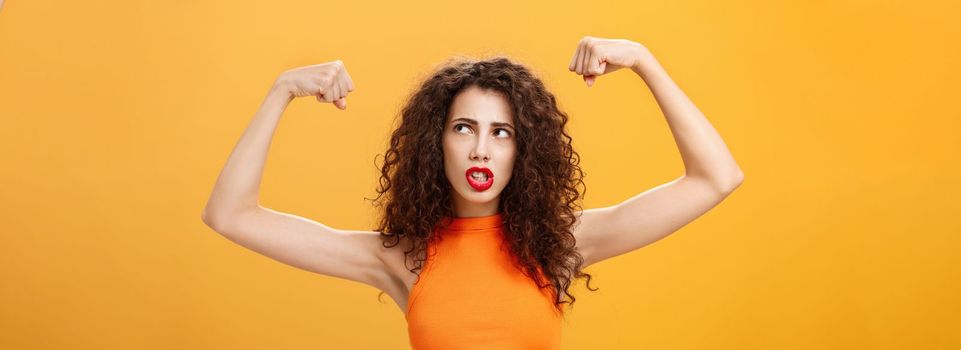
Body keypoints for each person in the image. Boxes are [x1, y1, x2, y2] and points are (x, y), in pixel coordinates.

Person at [201, 36, 744, 349]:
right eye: (464, 128)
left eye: (500, 132)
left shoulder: (560, 245)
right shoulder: (401, 258)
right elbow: (231, 215)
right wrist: (282, 91)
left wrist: (643, 60)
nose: (481, 148)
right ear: (435, 144)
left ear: (521, 151)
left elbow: (715, 178)